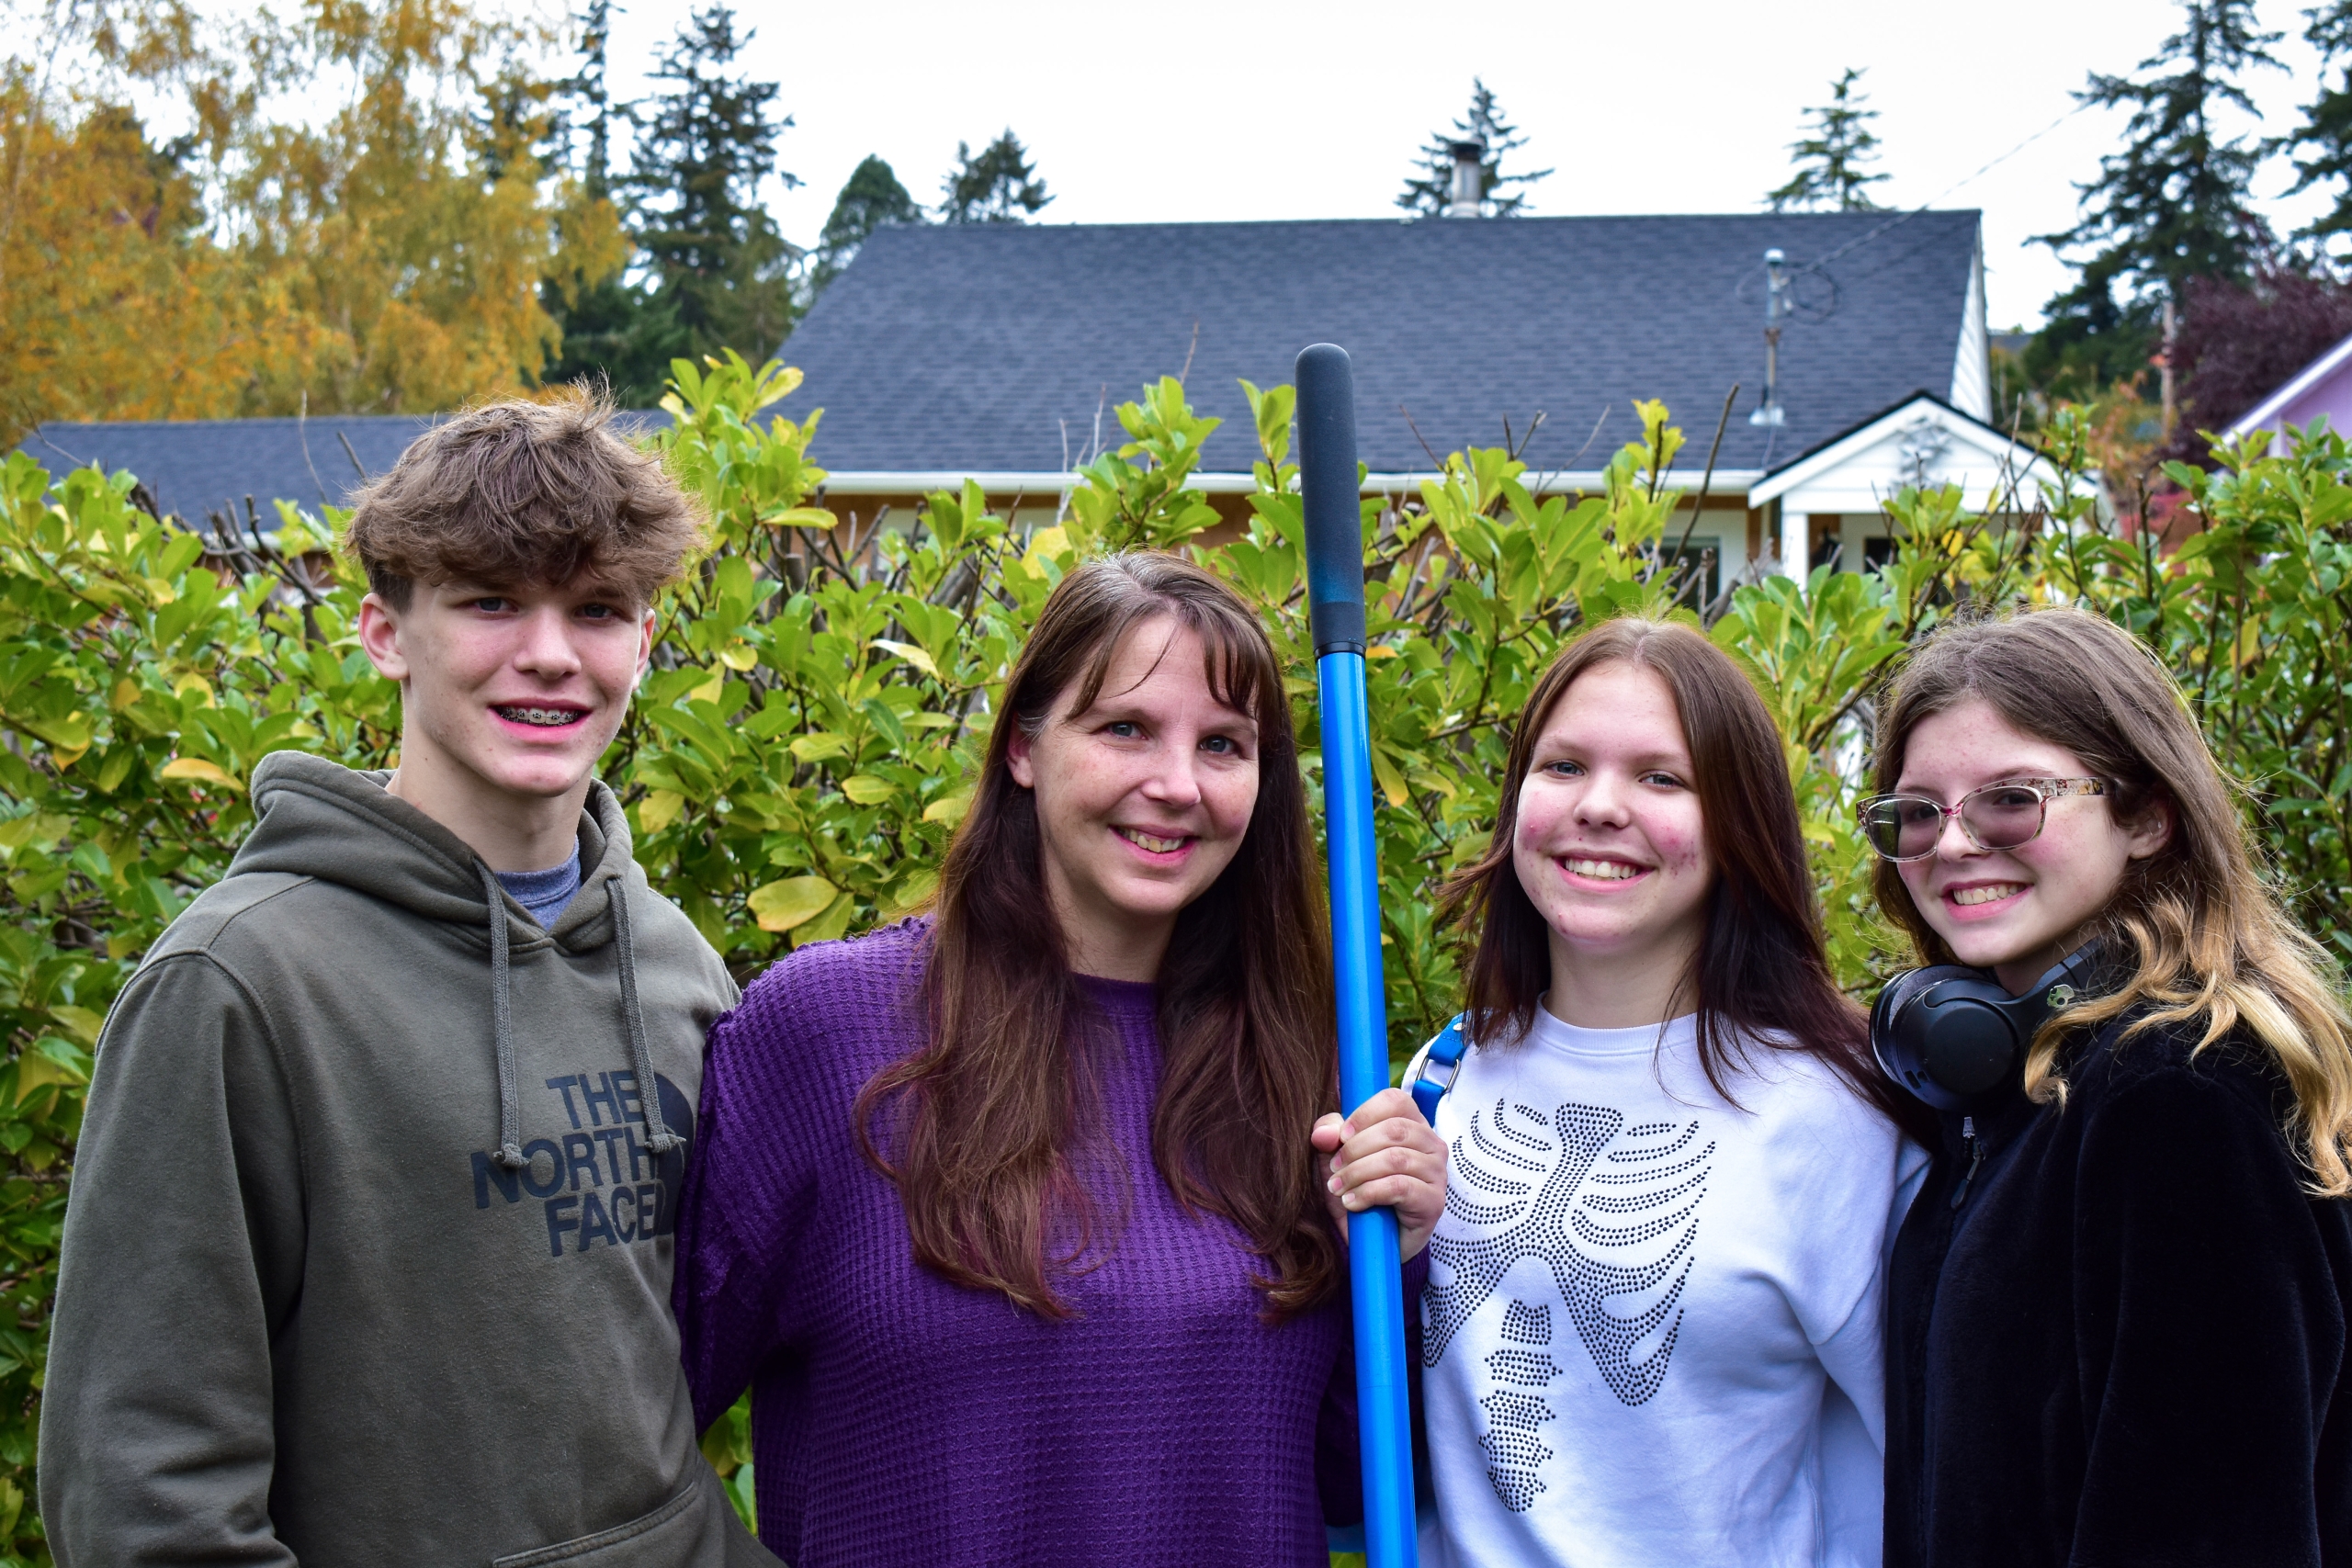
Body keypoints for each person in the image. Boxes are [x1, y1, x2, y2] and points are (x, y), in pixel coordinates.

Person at [40, 393, 776, 1566]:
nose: (548, 652)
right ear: (386, 633)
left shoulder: (674, 964)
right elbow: (145, 1491)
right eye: (490, 601)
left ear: (643, 643)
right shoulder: (238, 987)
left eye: (596, 610)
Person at [673, 552, 1446, 1568]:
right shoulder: (823, 1036)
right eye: (1124, 728)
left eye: (1223, 744)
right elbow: (629, 1428)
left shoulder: (1303, 1076)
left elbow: (1354, 1485)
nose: (1174, 786)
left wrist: (1398, 1262)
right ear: (1024, 748)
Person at [1413, 616, 1930, 1568]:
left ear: (1739, 828)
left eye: (1662, 777)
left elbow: (1924, 1471)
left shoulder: (1834, 1116)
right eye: (1563, 765)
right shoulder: (1443, 1079)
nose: (1599, 807)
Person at [1869, 607, 2352, 1568]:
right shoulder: (2020, 1087)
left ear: (2143, 815)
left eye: (2011, 799)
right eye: (1917, 812)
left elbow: (2212, 1534)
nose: (1953, 844)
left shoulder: (2178, 1090)